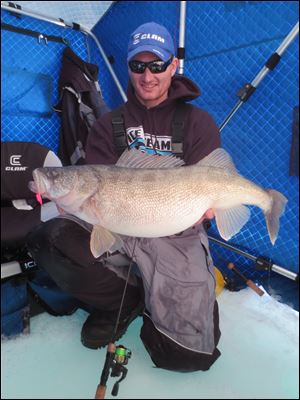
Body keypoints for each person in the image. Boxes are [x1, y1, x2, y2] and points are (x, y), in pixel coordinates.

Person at [27, 22, 221, 372]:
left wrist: (213, 208)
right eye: (138, 66)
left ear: (172, 66)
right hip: (118, 223)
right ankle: (124, 297)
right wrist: (60, 191)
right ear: (128, 68)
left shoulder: (199, 123)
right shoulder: (108, 124)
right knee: (49, 238)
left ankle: (164, 295)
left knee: (184, 358)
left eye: (156, 65)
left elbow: (210, 185)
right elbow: (93, 186)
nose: (147, 76)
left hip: (175, 234)